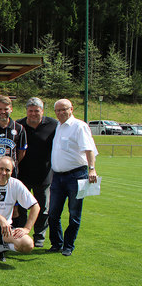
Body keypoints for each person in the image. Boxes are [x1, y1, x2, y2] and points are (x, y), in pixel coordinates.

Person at [48, 99, 98, 256]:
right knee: (53, 213)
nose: (61, 112)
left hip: (76, 175)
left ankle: (68, 245)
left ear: (71, 109)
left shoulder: (79, 126)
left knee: (74, 213)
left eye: (64, 109)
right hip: (57, 177)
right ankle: (56, 243)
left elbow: (89, 150)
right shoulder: (58, 126)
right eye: (58, 110)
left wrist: (92, 169)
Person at [0, 156, 40, 271]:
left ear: (12, 171)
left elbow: (35, 206)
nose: (4, 173)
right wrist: (1, 219)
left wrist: (27, 229)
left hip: (5, 228)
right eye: (1, 169)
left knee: (28, 244)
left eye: (8, 170)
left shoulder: (16, 184)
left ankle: (0, 247)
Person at [15, 97, 57, 248]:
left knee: (43, 207)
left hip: (44, 174)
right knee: (21, 207)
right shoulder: (18, 125)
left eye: (36, 111)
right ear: (26, 111)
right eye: (30, 111)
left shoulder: (53, 125)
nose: (33, 114)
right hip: (22, 174)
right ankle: (18, 234)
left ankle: (39, 235)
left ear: (42, 111)